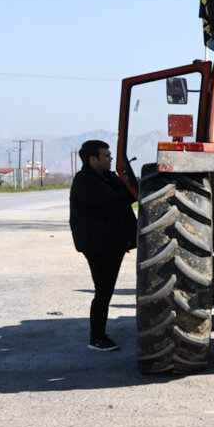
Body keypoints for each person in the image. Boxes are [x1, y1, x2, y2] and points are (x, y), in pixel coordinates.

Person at [69, 139, 137, 352]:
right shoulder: (85, 181)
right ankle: (96, 337)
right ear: (93, 159)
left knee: (105, 290)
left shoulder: (106, 177)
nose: (110, 159)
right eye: (106, 156)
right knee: (103, 292)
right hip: (98, 245)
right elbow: (112, 201)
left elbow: (124, 192)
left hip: (111, 243)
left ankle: (98, 335)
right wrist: (133, 190)